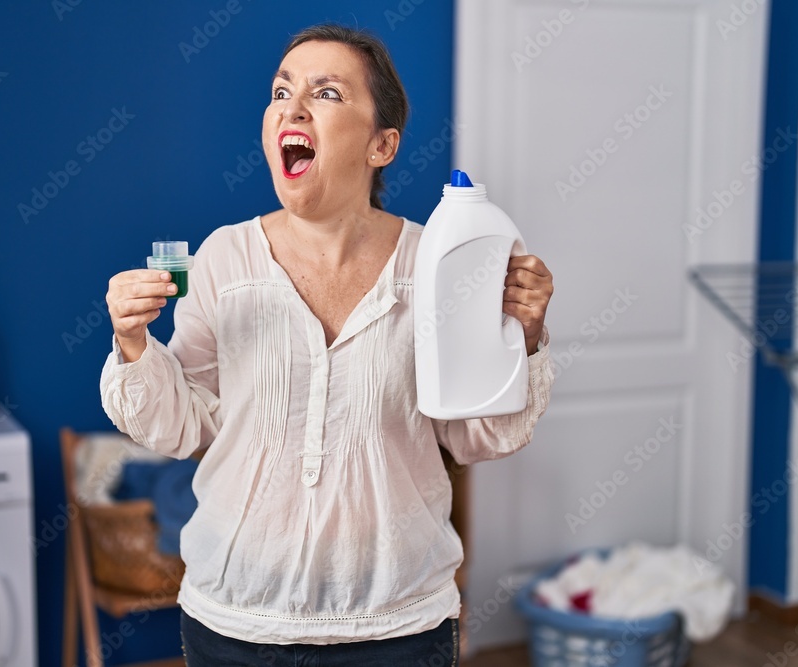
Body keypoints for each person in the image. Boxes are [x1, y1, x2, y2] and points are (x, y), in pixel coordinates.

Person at [101, 23, 555, 666]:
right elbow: (183, 427)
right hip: (236, 623)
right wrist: (132, 341)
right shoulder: (223, 259)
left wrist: (523, 337)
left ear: (382, 145)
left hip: (397, 627)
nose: (292, 106)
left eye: (328, 93)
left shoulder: (436, 264)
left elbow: (476, 435)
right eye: (281, 90)